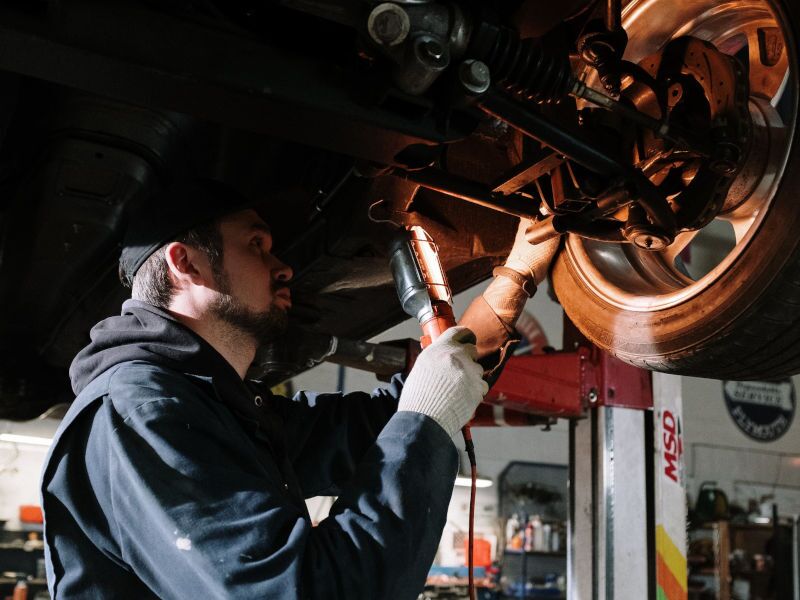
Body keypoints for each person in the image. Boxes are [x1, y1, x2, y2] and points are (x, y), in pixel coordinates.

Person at [40, 178, 559, 599]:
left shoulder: (216, 407)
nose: (284, 265)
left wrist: (513, 282)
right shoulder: (139, 412)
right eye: (256, 244)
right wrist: (426, 420)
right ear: (187, 264)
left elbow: (374, 428)